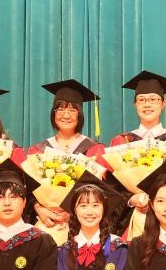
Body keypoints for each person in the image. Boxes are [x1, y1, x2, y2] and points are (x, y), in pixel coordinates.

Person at [109, 71, 166, 223]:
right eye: (141, 100)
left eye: (153, 99)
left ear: (163, 104)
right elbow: (111, 187)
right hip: (131, 218)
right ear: (135, 104)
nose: (147, 104)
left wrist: (162, 200)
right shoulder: (121, 142)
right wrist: (132, 199)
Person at [25, 80, 107, 231]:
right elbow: (29, 192)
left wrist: (73, 214)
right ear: (53, 113)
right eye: (60, 109)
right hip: (46, 224)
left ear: (80, 114)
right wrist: (39, 209)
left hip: (83, 225)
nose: (66, 115)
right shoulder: (38, 151)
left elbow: (102, 193)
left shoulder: (95, 150)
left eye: (72, 110)